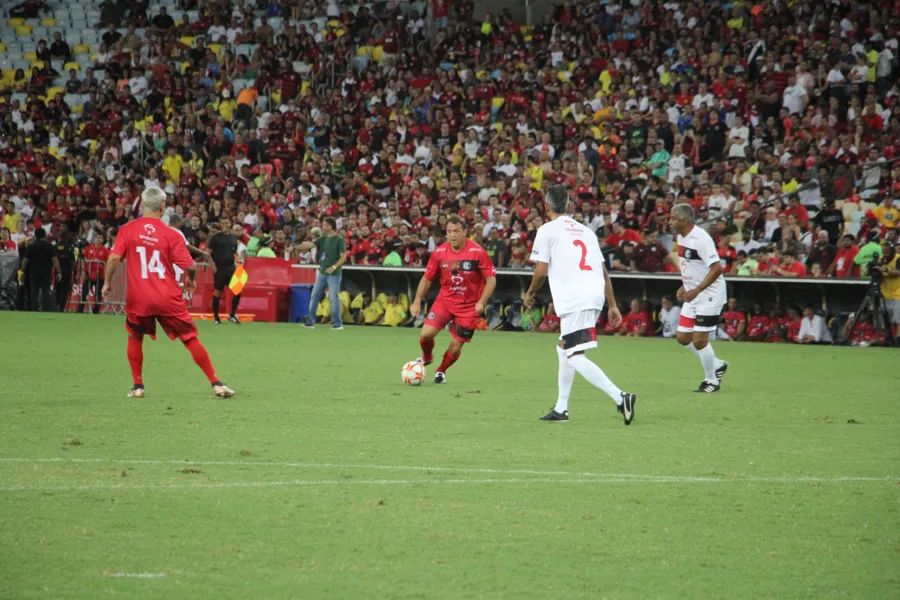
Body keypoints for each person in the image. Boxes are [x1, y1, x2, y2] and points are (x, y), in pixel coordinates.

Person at [102, 187, 234, 399]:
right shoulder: (171, 234)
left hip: (139, 297)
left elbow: (114, 259)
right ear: (163, 207)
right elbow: (190, 266)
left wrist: (107, 283)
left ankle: (138, 387)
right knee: (190, 337)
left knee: (135, 336)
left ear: (143, 205)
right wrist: (191, 281)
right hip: (167, 296)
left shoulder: (127, 230)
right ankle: (216, 383)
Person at [524, 185, 636, 424]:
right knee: (563, 348)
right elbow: (604, 271)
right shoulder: (586, 231)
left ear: (546, 206)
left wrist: (530, 292)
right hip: (591, 295)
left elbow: (541, 270)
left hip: (575, 299)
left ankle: (620, 397)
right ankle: (561, 408)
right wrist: (613, 305)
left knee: (574, 355)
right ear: (568, 206)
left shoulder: (546, 230)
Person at [410, 215, 496, 384]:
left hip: (469, 307)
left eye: (456, 231)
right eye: (449, 232)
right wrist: (417, 300)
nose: (452, 235)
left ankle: (441, 371)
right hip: (445, 301)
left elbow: (491, 279)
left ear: (465, 232)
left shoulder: (477, 252)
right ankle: (427, 357)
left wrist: (481, 302)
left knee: (455, 347)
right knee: (426, 334)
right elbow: (427, 278)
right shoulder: (440, 252)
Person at [669, 204, 729, 393]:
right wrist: (684, 285)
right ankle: (717, 364)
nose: (670, 222)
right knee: (682, 337)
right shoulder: (680, 237)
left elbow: (717, 268)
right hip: (693, 292)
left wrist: (696, 290)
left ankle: (711, 381)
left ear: (685, 220)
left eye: (673, 219)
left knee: (699, 340)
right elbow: (690, 266)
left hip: (710, 294)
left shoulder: (701, 239)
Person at [299, 217, 347, 330]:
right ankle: (310, 322)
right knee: (315, 296)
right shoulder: (323, 239)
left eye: (324, 225)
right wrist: (294, 248)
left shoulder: (339, 239)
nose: (322, 227)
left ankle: (338, 324)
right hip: (322, 272)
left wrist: (334, 267)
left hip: (334, 274)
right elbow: (309, 245)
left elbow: (343, 257)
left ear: (330, 226)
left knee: (333, 298)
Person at [206, 218, 241, 324]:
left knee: (238, 291)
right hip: (220, 268)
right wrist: (213, 266)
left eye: (227, 223)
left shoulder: (233, 238)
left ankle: (232, 315)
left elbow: (234, 252)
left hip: (231, 268)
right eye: (223, 223)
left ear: (230, 224)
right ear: (220, 225)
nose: (225, 225)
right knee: (217, 293)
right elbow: (208, 253)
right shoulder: (215, 238)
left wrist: (238, 261)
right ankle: (216, 317)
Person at [20, 228, 61, 312]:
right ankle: (46, 308)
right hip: (46, 272)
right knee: (46, 290)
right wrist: (59, 272)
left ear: (35, 235)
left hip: (34, 272)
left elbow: (25, 260)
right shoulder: (50, 246)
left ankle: (34, 308)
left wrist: (22, 271)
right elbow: (55, 260)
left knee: (34, 291)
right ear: (45, 235)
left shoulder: (31, 246)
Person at [870, 239, 900, 337]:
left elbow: (898, 273)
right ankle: (888, 338)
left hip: (898, 293)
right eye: (883, 251)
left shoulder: (898, 259)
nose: (885, 253)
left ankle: (898, 340)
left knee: (898, 319)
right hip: (886, 293)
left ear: (891, 250)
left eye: (886, 251)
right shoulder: (882, 260)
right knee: (887, 319)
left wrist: (885, 269)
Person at [79, 235, 109, 314]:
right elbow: (85, 259)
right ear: (94, 239)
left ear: (102, 240)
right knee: (84, 292)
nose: (98, 239)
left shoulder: (105, 250)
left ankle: (96, 309)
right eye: (97, 237)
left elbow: (107, 262)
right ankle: (80, 309)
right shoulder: (89, 248)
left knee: (98, 293)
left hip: (100, 275)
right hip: (89, 274)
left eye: (100, 237)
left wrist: (99, 262)